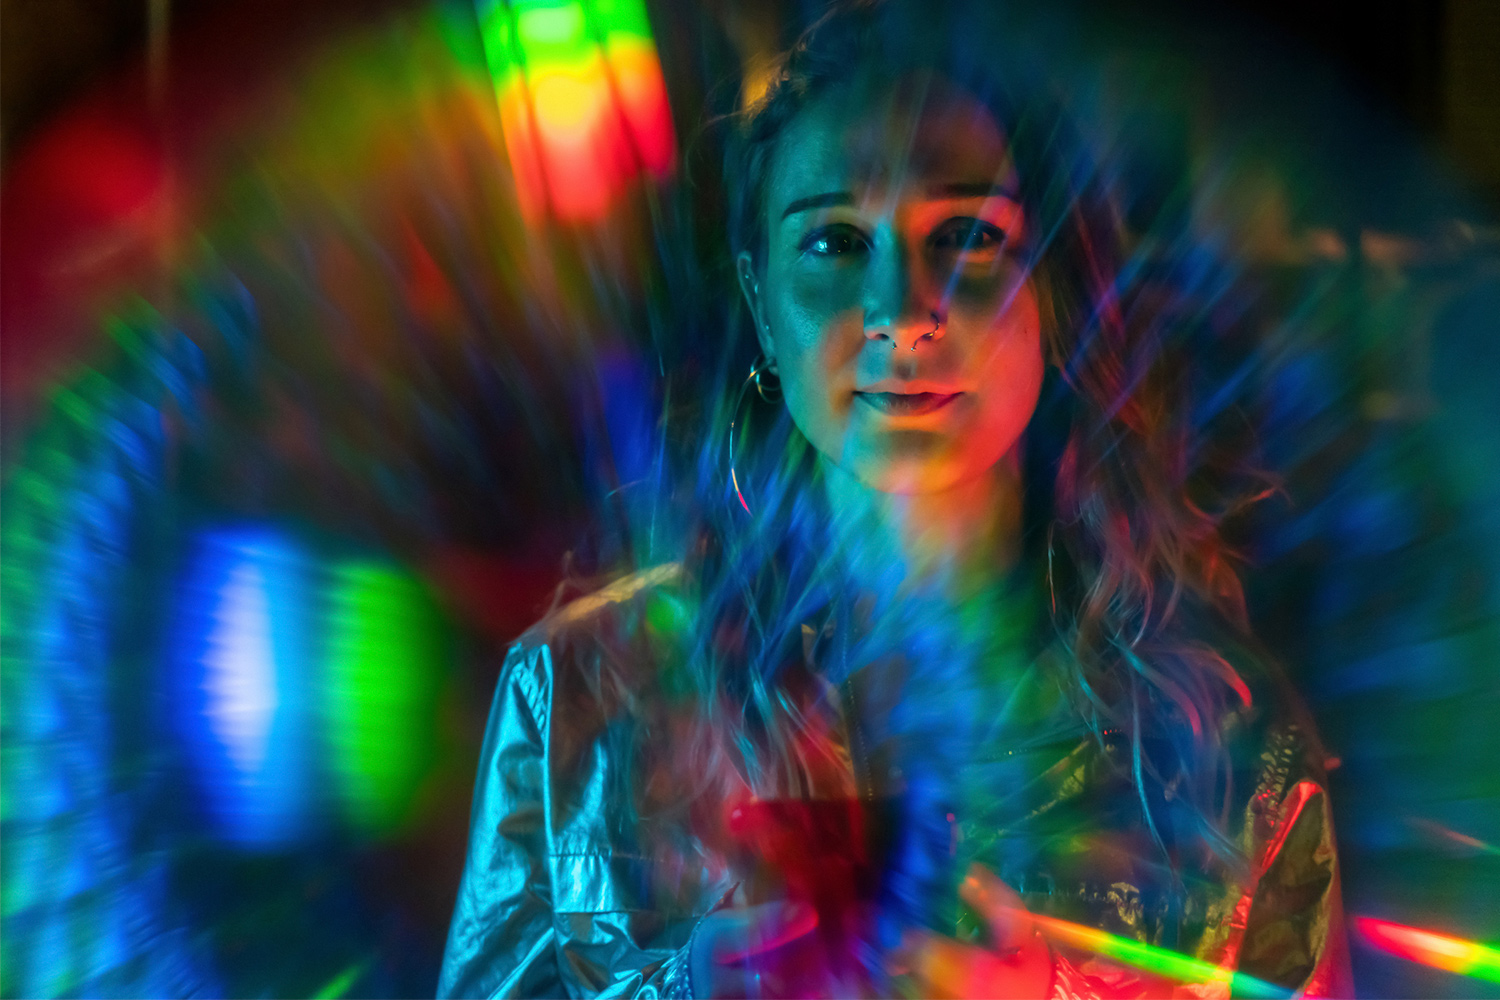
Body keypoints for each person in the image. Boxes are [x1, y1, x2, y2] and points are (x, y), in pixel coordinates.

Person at [438, 2, 1353, 996]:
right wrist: (693, 984)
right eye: (834, 242)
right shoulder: (588, 697)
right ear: (758, 296)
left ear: (1055, 288)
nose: (901, 312)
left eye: (964, 234)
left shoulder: (1215, 730)